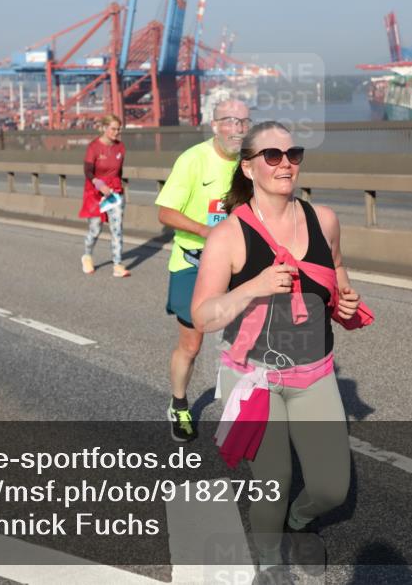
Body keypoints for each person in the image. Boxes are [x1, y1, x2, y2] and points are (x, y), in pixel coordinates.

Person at [191, 121, 373, 577]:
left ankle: (301, 521)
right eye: (272, 156)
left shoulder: (323, 219)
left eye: (293, 153)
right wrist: (253, 285)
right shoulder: (228, 236)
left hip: (314, 373)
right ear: (249, 167)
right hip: (254, 379)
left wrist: (345, 301)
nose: (285, 163)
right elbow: (203, 315)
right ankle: (270, 564)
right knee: (273, 483)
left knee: (332, 488)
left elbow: (334, 268)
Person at [156, 99, 251, 441]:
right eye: (229, 121)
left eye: (243, 122)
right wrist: (208, 231)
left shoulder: (250, 163)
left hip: (237, 263)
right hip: (193, 262)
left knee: (246, 342)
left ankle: (243, 411)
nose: (237, 129)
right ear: (214, 125)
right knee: (191, 345)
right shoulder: (193, 160)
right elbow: (165, 213)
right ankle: (179, 404)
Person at [79, 114, 130, 278]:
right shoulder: (93, 147)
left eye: (119, 129)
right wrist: (98, 184)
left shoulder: (121, 147)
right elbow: (87, 170)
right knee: (95, 230)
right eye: (113, 129)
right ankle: (87, 255)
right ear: (104, 128)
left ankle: (117, 264)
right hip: (95, 192)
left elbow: (119, 171)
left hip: (114, 192)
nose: (117, 132)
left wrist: (117, 187)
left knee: (117, 230)